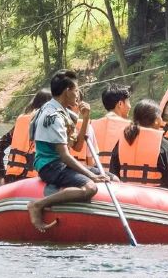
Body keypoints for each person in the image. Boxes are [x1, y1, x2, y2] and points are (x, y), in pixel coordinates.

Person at [26, 71, 111, 231]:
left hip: (59, 163)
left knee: (110, 176)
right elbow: (65, 156)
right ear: (67, 91)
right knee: (90, 188)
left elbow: (78, 147)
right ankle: (37, 205)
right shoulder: (53, 116)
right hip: (49, 166)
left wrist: (85, 118)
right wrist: (91, 175)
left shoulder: (63, 112)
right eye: (76, 90)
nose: (78, 94)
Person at [108, 100, 168, 191]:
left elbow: (113, 172)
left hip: (125, 195)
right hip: (154, 199)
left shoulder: (122, 141)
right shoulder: (165, 146)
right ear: (157, 121)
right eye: (160, 117)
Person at [0, 89, 54, 183]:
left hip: (11, 180)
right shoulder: (52, 123)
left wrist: (1, 177)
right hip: (36, 181)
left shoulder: (20, 121)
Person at [88, 84, 132, 167]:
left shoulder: (91, 125)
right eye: (128, 101)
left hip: (96, 174)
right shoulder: (130, 127)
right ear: (120, 104)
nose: (130, 106)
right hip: (118, 175)